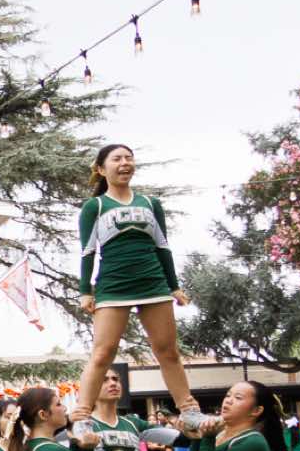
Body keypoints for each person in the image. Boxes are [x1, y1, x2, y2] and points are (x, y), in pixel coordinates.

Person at [75, 144, 210, 431]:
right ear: (101, 169)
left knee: (167, 350)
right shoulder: (94, 207)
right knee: (103, 353)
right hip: (113, 286)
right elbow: (87, 251)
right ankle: (81, 417)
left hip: (153, 284)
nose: (124, 163)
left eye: (129, 158)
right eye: (116, 159)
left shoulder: (151, 203)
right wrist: (85, 290)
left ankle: (189, 411)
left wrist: (174, 286)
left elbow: (163, 246)